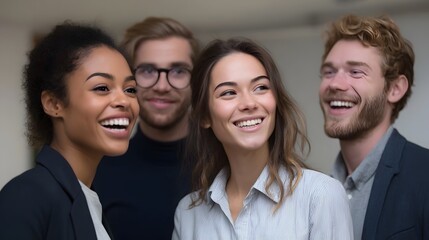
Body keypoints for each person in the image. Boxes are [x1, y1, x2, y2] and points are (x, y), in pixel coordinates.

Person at [173, 38, 353, 240]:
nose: (249, 103)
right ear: (205, 116)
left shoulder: (320, 195)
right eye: (229, 92)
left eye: (260, 87)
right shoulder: (188, 214)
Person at [0, 22, 139, 239]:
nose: (124, 100)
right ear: (54, 103)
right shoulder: (27, 196)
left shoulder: (89, 201)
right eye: (102, 88)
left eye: (130, 89)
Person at [319, 14, 429, 239]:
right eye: (329, 72)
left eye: (356, 72)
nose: (335, 84)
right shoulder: (315, 189)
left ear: (395, 89)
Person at [93, 17, 200, 239]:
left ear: (196, 81)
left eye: (178, 71)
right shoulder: (98, 171)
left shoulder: (227, 166)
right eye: (148, 71)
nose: (162, 86)